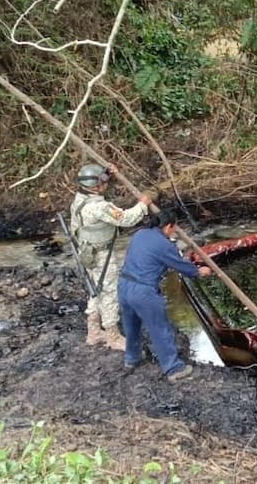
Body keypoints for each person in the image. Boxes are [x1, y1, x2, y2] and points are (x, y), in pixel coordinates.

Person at [118, 209, 212, 382]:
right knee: (160, 329)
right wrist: (199, 271)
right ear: (169, 226)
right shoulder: (165, 245)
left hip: (124, 285)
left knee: (131, 326)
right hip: (143, 291)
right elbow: (180, 265)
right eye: (174, 228)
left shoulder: (140, 234)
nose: (174, 231)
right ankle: (174, 368)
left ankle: (132, 359)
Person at [69, 163, 151, 350]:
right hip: (101, 255)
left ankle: (94, 332)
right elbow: (126, 218)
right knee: (108, 293)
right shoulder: (98, 207)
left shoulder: (80, 199)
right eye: (103, 181)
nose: (105, 184)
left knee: (95, 290)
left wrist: (110, 174)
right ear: (96, 185)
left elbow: (103, 193)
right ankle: (112, 336)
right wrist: (142, 205)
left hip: (87, 252)